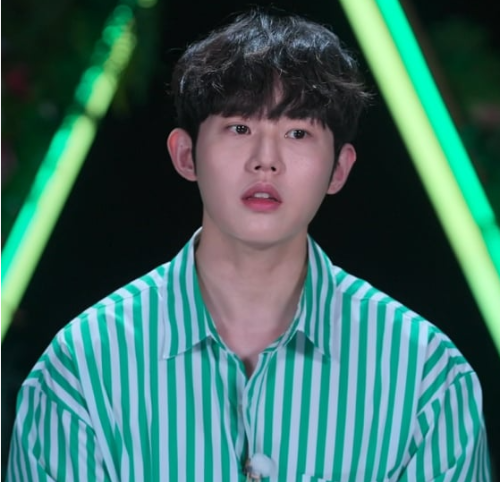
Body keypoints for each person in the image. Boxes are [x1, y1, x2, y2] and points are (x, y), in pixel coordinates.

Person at [6, 9, 491, 482]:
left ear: (339, 169)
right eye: (240, 128)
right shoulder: (82, 367)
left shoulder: (425, 375)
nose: (266, 161)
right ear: (185, 155)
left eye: (298, 132)